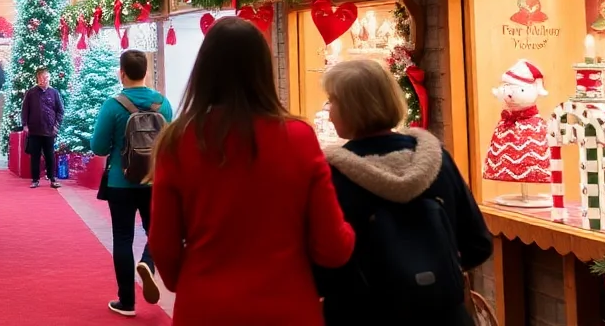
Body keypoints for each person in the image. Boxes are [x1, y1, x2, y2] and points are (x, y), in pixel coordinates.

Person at [148, 18, 355, 326]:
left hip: (205, 307)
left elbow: (163, 245)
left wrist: (194, 279)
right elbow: (332, 248)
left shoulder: (177, 141)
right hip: (287, 306)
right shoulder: (298, 137)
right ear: (263, 70)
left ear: (203, 71)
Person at [314, 59, 493, 326]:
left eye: (333, 102)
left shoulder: (332, 175)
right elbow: (478, 244)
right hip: (443, 315)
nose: (329, 112)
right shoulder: (437, 160)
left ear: (353, 108)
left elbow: (323, 266)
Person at [91, 50, 174, 317]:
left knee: (123, 238)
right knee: (157, 231)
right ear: (146, 72)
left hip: (120, 182)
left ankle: (126, 301)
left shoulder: (113, 105)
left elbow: (99, 147)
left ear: (122, 72)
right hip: (154, 180)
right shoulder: (163, 104)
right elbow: (170, 144)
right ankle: (148, 263)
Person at [21, 67, 64, 188]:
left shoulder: (54, 93)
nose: (43, 80)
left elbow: (60, 110)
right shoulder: (31, 92)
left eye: (45, 78)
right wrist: (25, 125)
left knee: (50, 155)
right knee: (35, 156)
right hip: (34, 130)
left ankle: (52, 178)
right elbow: (25, 110)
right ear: (37, 79)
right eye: (40, 78)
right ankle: (35, 179)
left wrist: (56, 126)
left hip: (49, 130)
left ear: (49, 78)